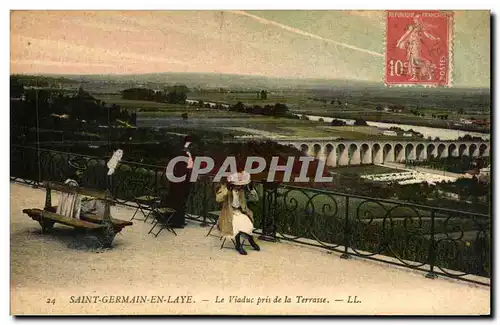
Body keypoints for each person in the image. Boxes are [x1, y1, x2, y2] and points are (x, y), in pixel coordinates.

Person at [216, 165, 260, 255]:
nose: (240, 187)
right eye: (238, 185)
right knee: (237, 224)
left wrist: (251, 189)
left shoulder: (242, 191)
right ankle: (239, 245)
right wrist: (227, 190)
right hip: (229, 213)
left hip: (241, 212)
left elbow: (255, 199)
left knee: (248, 223)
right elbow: (218, 199)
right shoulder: (226, 189)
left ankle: (251, 241)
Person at [164, 135, 195, 228]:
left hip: (180, 181)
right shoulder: (183, 153)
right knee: (179, 201)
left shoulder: (183, 152)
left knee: (179, 201)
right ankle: (177, 221)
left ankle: (177, 220)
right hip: (181, 181)